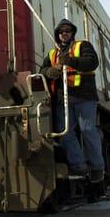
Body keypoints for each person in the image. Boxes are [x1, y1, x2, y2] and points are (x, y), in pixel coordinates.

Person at [40, 19, 105, 183]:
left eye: (67, 31)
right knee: (64, 133)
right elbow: (43, 70)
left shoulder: (83, 46)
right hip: (64, 99)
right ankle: (79, 166)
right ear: (57, 34)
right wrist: (50, 72)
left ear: (72, 33)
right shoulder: (52, 54)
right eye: (61, 31)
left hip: (84, 97)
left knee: (87, 130)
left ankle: (97, 167)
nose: (64, 34)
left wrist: (69, 61)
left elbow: (92, 62)